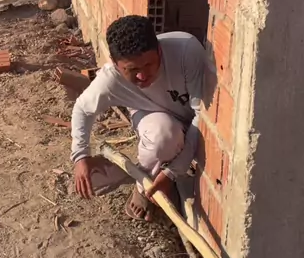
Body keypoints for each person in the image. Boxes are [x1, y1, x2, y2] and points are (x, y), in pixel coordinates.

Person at [71, 15, 208, 221]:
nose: (142, 76)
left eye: (149, 64)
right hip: (154, 119)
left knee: (173, 139)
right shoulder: (110, 79)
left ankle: (148, 175)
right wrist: (80, 156)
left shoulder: (186, 52)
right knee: (163, 136)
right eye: (132, 69)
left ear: (159, 50)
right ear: (115, 63)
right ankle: (145, 185)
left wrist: (172, 173)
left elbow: (202, 115)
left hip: (191, 120)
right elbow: (82, 109)